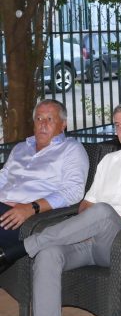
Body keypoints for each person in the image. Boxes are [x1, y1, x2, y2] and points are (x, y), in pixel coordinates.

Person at [0, 101, 121, 316]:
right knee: (48, 254)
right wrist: (87, 225)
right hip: (89, 242)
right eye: (117, 125)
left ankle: (22, 248)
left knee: (103, 212)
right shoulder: (109, 161)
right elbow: (86, 203)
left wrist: (106, 222)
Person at [0, 100, 89, 266]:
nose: (43, 124)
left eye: (50, 119)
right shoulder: (20, 148)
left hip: (26, 215)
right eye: (39, 119)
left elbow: (74, 191)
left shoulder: (71, 149)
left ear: (63, 124)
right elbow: (3, 177)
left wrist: (31, 208)